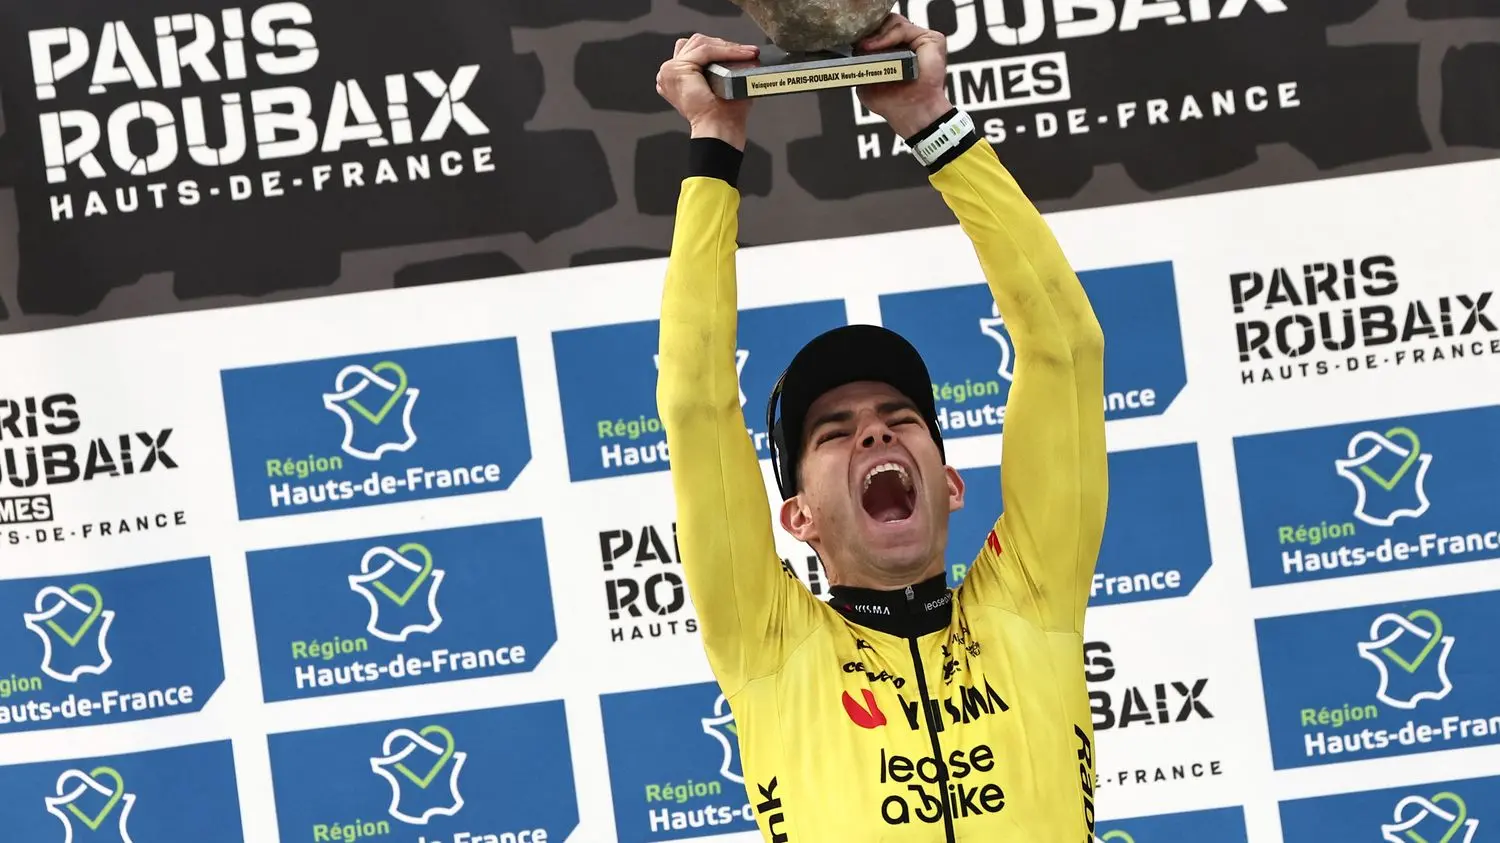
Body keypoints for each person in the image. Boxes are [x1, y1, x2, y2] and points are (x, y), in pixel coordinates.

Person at [654, 13, 1108, 842]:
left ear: (951, 482)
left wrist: (931, 122)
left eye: (901, 418)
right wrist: (714, 142)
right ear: (798, 515)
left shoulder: (1032, 598)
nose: (875, 435)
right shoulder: (770, 644)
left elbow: (1066, 351)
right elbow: (695, 403)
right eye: (834, 432)